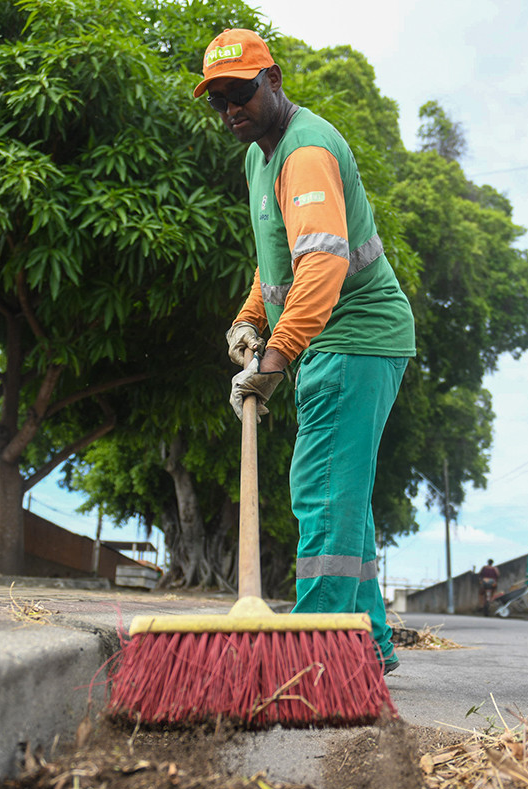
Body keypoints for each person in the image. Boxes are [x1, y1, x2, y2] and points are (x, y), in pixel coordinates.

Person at [195, 29, 416, 675]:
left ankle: (317, 653)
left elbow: (321, 266)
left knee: (321, 491)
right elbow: (280, 265)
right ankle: (366, 647)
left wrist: (274, 361)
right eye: (219, 100)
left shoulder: (307, 150)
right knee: (343, 495)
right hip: (332, 339)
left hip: (356, 337)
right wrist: (248, 318)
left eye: (241, 91)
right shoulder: (258, 158)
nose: (231, 108)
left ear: (275, 80)